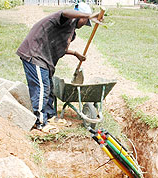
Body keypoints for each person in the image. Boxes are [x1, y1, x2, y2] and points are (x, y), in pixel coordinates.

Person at [16, 2, 103, 132]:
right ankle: (40, 123)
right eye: (85, 22)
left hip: (45, 59)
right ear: (81, 16)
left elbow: (61, 47)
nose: (84, 25)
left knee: (49, 89)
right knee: (42, 88)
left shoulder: (71, 31)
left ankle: (51, 117)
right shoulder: (64, 19)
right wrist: (89, 15)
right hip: (34, 54)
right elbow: (64, 12)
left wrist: (75, 54)